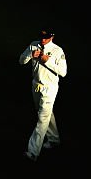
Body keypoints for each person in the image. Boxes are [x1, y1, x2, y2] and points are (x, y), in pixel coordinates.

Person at [19, 28, 67, 161]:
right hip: (36, 86)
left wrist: (48, 61)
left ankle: (32, 151)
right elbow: (21, 61)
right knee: (46, 114)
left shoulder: (58, 51)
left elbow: (63, 72)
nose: (43, 40)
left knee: (42, 118)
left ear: (52, 37)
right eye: (41, 37)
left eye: (46, 38)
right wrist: (30, 55)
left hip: (49, 88)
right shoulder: (33, 45)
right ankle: (54, 139)